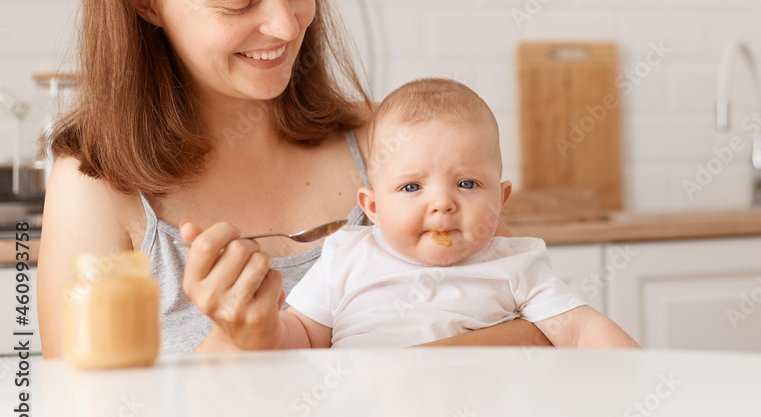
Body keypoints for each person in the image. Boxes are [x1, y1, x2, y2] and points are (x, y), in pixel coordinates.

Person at [37, 0, 551, 357]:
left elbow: (540, 328)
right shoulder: (95, 187)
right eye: (240, 1)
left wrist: (363, 378)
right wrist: (238, 346)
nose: (286, 26)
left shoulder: (388, 142)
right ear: (145, 2)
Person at [189, 78, 640, 350]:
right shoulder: (347, 255)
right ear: (372, 208)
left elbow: (580, 332)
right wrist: (261, 325)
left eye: (467, 184)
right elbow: (305, 336)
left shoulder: (515, 262)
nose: (442, 203)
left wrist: (645, 382)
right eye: (411, 187)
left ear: (501, 199)